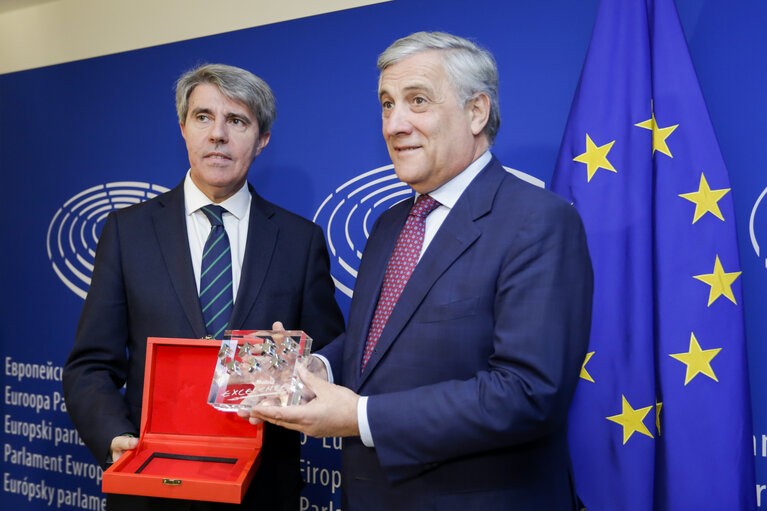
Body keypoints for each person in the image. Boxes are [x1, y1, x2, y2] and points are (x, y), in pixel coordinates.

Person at [242, 32, 594, 510]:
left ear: (477, 112)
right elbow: (375, 340)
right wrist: (314, 367)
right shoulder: (389, 225)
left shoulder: (538, 221)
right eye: (387, 104)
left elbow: (528, 394)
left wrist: (361, 417)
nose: (394, 124)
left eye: (417, 101)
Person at [63, 63, 345, 511]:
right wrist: (114, 437)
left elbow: (332, 352)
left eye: (237, 121)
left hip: (261, 489)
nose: (218, 134)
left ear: (262, 139)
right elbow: (90, 366)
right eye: (203, 117)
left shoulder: (299, 241)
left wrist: (297, 368)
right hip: (150, 485)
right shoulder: (126, 231)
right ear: (183, 128)